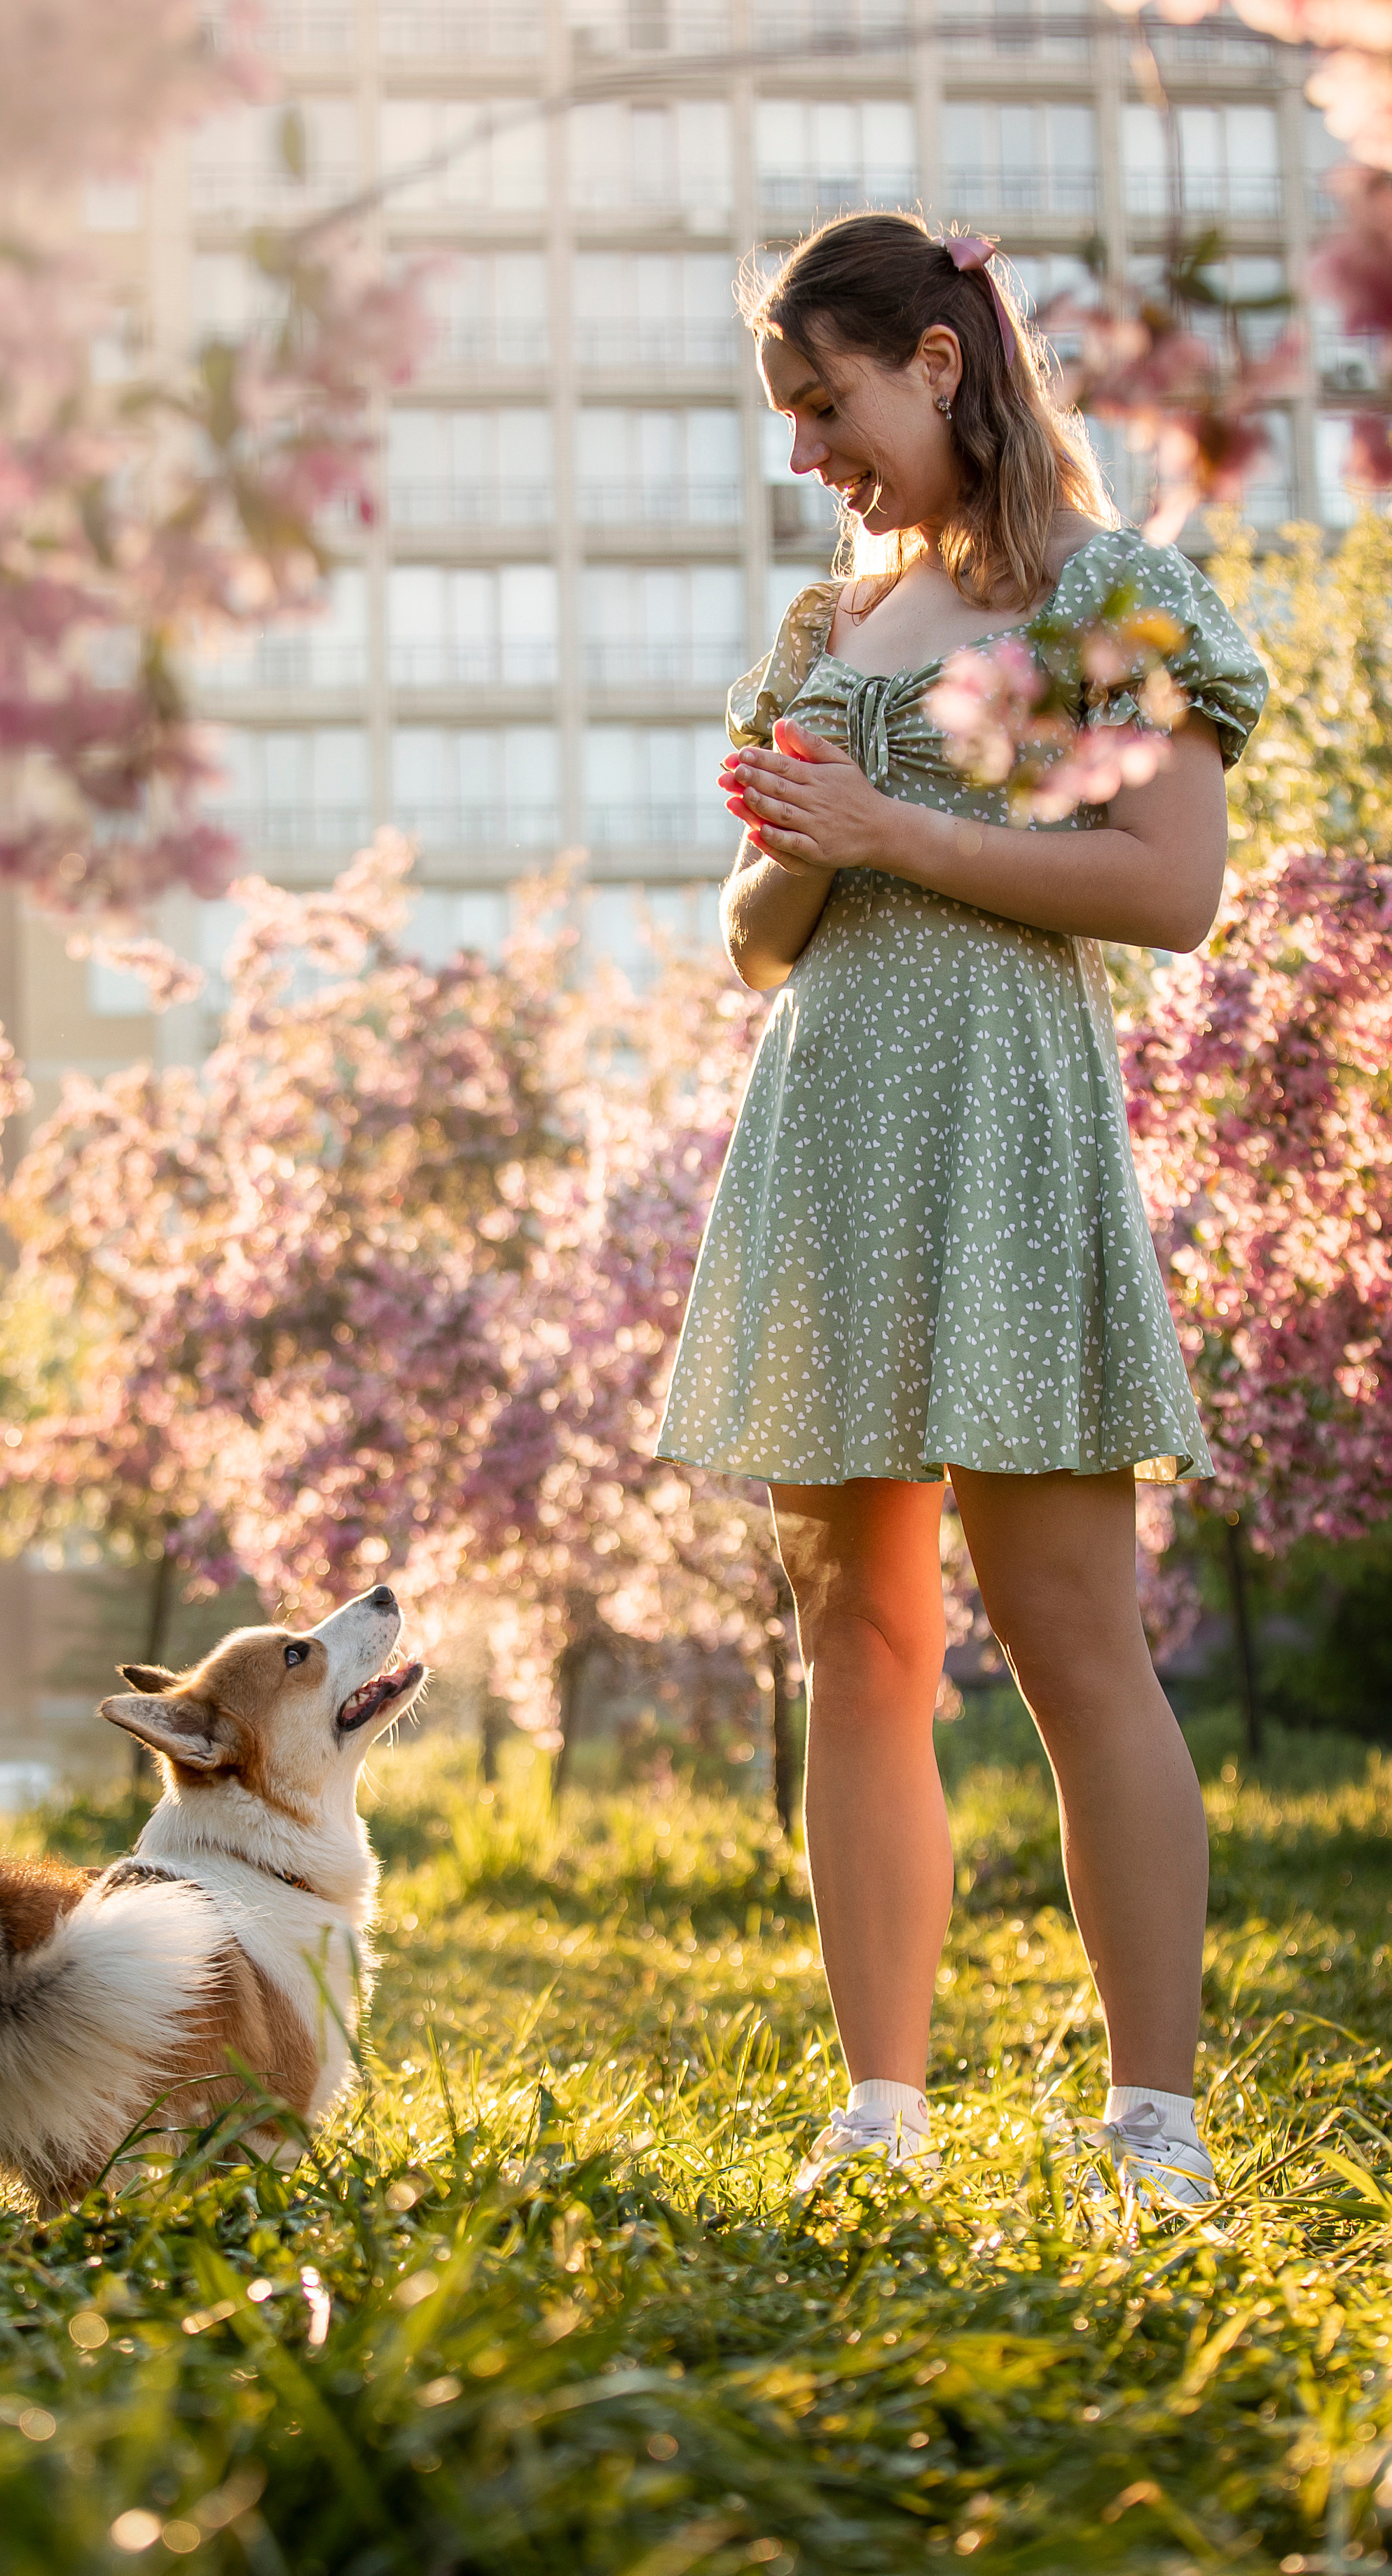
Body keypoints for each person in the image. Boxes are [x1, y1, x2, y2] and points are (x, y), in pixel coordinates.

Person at [655, 209, 1267, 2214]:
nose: (808, 451)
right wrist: (805, 841)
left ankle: (1152, 2126)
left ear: (934, 359)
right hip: (830, 1127)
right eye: (787, 419)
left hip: (1007, 1129)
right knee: (860, 1634)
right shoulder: (828, 627)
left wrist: (897, 825)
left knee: (1077, 1633)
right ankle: (883, 2111)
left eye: (825, 404)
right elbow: (760, 938)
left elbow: (1173, 890)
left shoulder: (1103, 595)